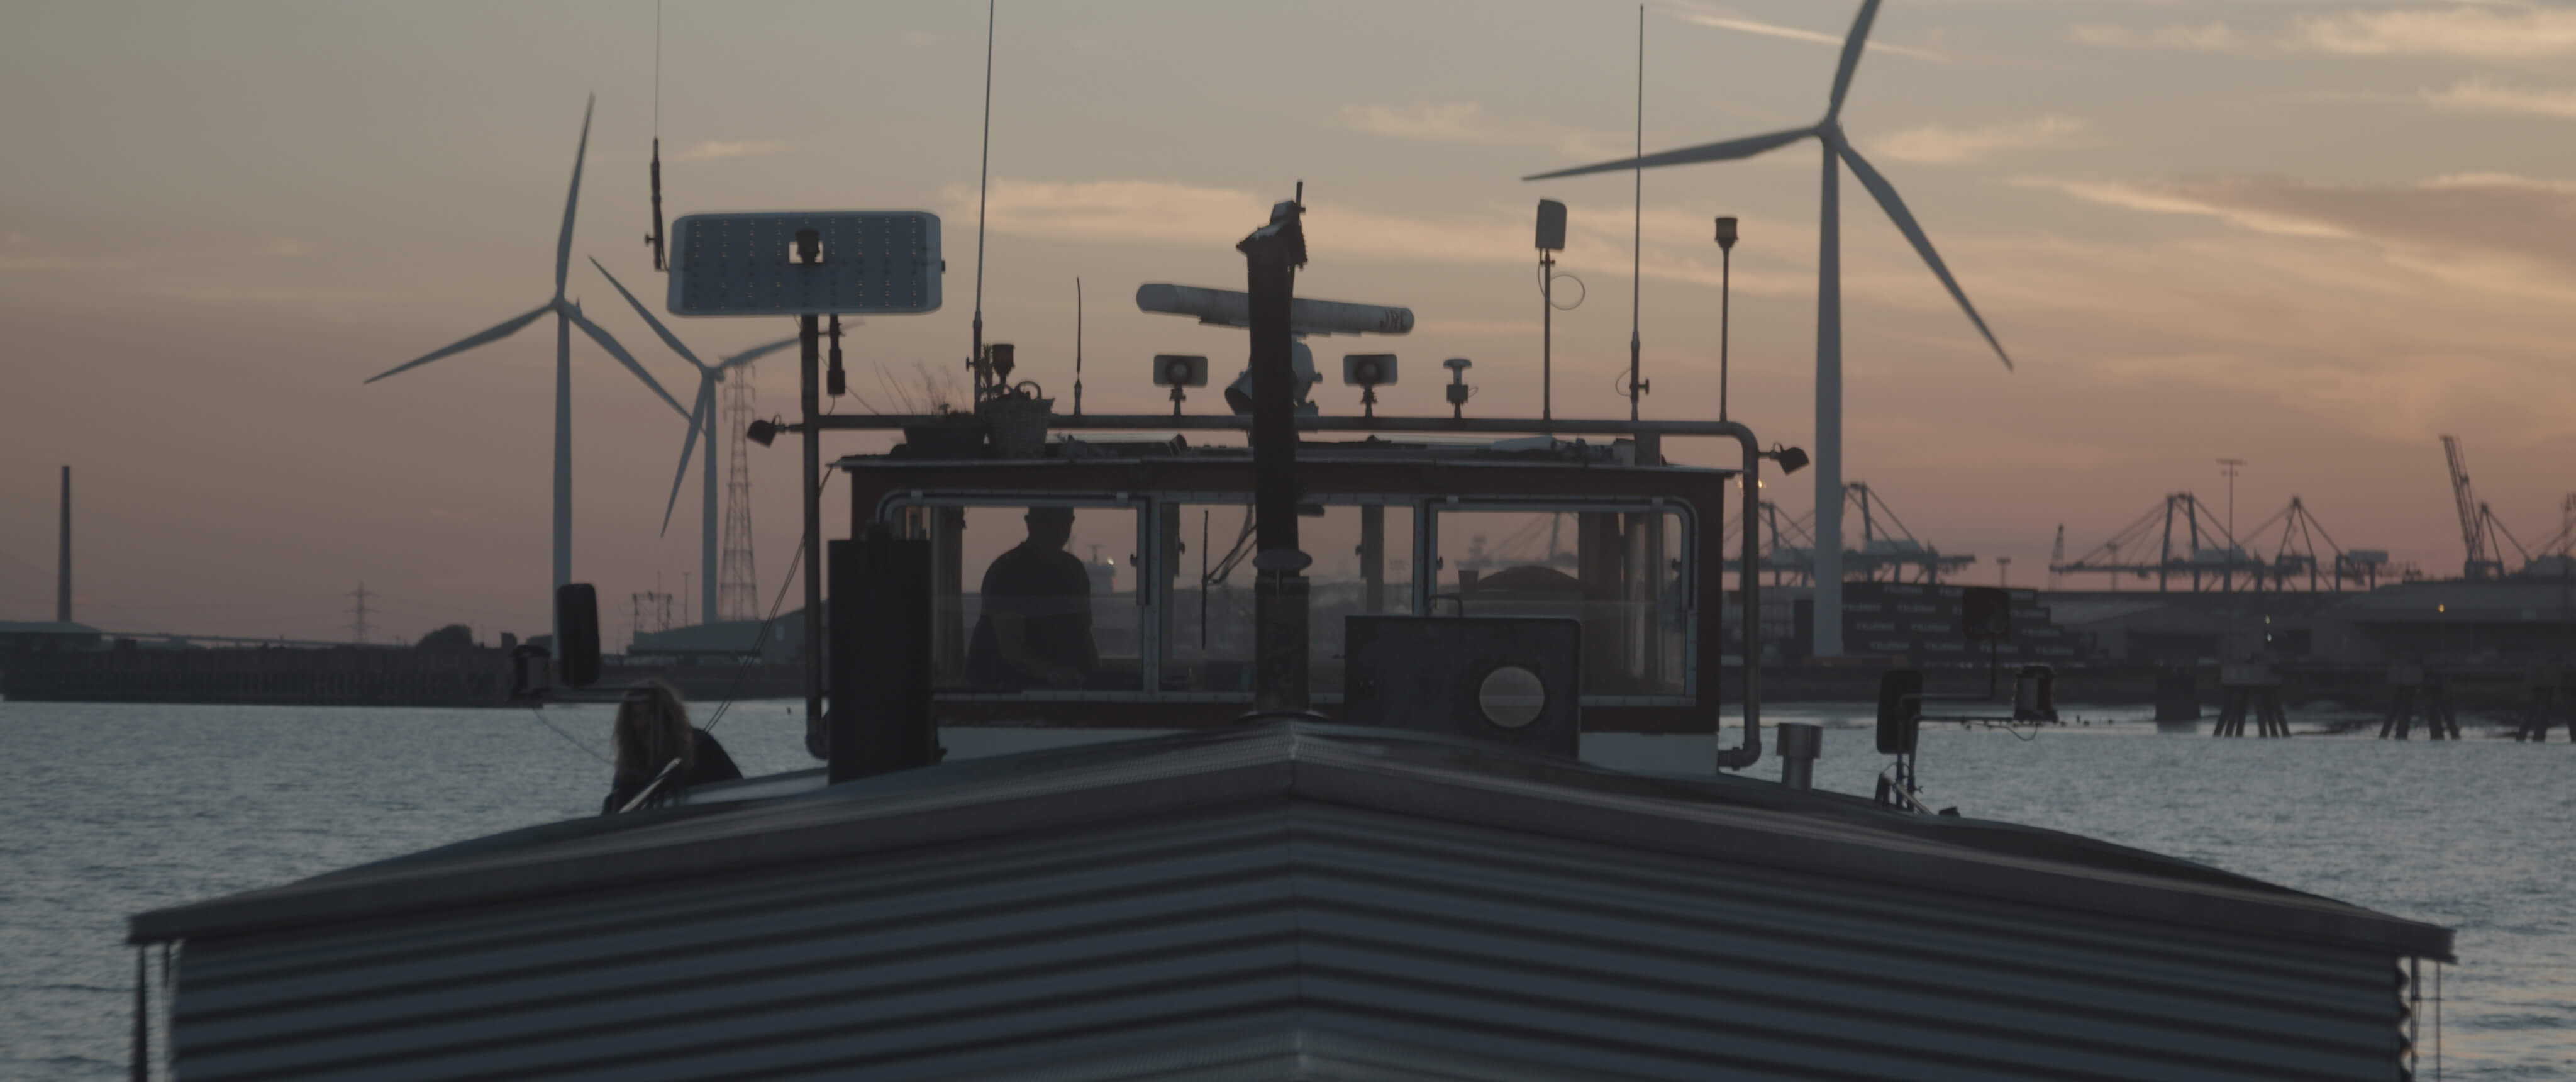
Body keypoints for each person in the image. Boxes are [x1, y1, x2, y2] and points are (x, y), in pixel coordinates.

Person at [967, 506, 1098, 690]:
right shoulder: (1006, 571)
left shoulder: (1074, 571)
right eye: (1048, 521)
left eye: (1063, 522)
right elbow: (1011, 648)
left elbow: (1084, 634)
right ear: (1030, 524)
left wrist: (1093, 676)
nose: (1057, 529)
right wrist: (1053, 674)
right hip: (1006, 690)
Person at [601, 680, 743, 814]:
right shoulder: (631, 763)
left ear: (668, 715)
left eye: (651, 715)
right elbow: (621, 808)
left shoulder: (700, 745)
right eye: (637, 716)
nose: (645, 723)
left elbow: (737, 789)